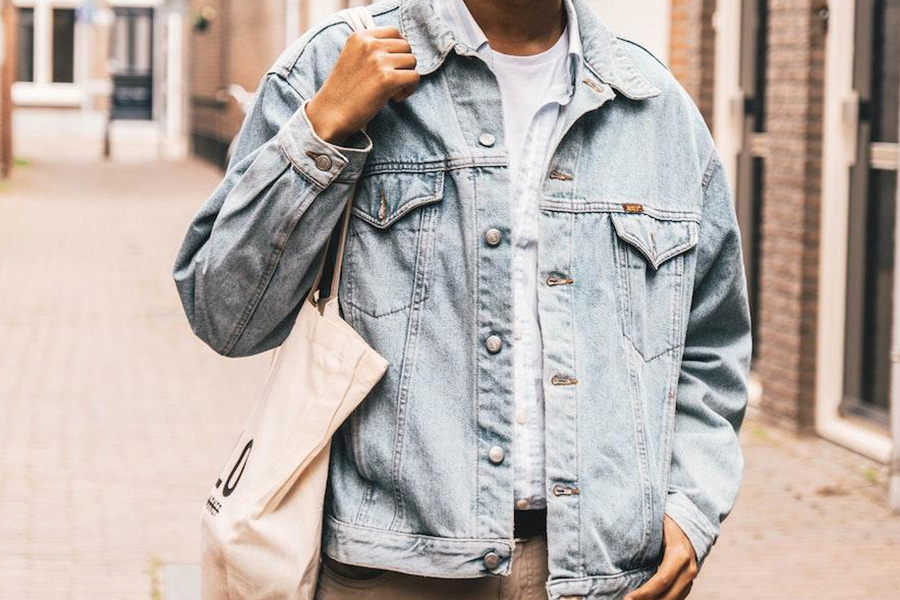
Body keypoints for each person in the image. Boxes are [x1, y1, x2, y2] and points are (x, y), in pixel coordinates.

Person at [172, 0, 752, 598]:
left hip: (601, 575)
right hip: (393, 571)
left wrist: (691, 504)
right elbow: (223, 312)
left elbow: (710, 343)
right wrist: (322, 130)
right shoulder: (333, 62)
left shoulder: (655, 108)